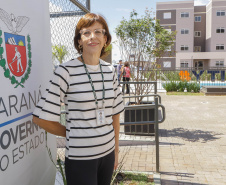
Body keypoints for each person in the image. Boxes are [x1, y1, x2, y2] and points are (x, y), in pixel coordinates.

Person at [32, 13, 124, 185]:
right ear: (79, 40)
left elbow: (116, 113)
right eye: (86, 33)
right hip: (81, 158)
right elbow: (40, 118)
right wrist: (72, 133)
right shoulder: (65, 71)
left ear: (105, 39)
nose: (92, 37)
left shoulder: (110, 71)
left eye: (98, 32)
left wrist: (116, 151)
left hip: (108, 154)